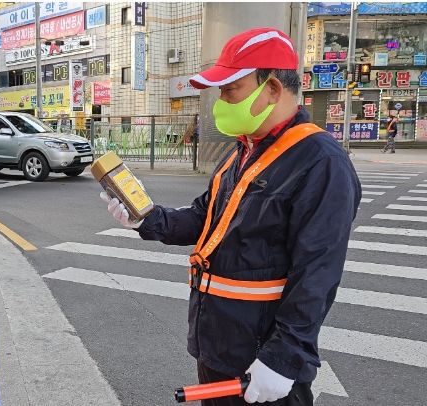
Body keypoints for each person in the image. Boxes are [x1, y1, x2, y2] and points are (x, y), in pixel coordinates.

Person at [101, 28, 361, 405]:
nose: (220, 102)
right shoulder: (242, 151)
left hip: (262, 357)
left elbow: (317, 273)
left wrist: (284, 358)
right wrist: (147, 218)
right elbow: (204, 217)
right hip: (219, 343)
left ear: (272, 89)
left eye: (230, 90)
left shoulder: (321, 162)